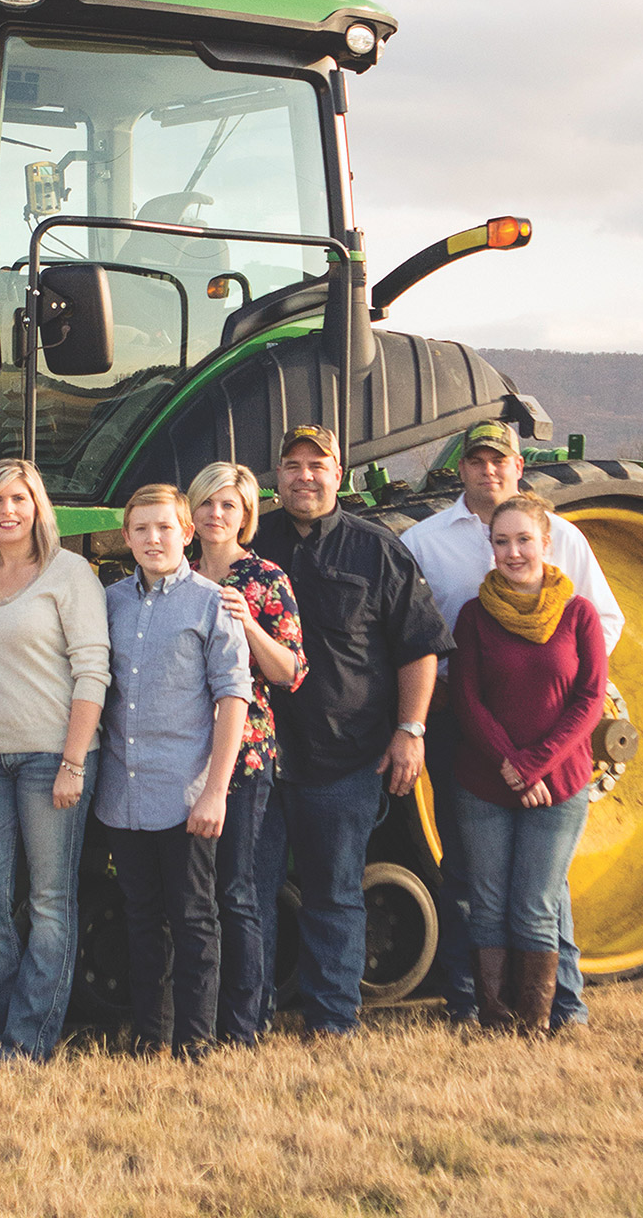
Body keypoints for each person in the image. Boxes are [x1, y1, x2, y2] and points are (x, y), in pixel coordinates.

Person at [401, 418, 622, 1028]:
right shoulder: (426, 541)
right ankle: (473, 1002)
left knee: (542, 885)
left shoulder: (566, 539)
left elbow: (603, 625)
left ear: (518, 465)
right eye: (477, 461)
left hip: (555, 739)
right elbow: (421, 638)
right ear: (462, 468)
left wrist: (545, 733)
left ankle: (562, 1005)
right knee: (469, 873)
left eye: (500, 460)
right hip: (465, 728)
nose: (489, 470)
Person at [253, 425, 454, 1038]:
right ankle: (248, 1015)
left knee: (335, 894)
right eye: (292, 465)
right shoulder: (251, 544)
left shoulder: (378, 551)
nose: (304, 476)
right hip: (257, 758)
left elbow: (418, 649)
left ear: (338, 473)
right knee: (247, 893)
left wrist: (410, 730)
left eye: (317, 464)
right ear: (277, 475)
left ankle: (332, 1019)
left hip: (344, 759)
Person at [0, 459, 110, 1060]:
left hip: (54, 756)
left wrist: (74, 761)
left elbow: (92, 670)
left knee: (49, 901)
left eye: (19, 498)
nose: (7, 511)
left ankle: (28, 1041)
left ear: (38, 505)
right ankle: (0, 1023)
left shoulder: (69, 572)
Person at [95, 484, 251, 1059]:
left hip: (186, 793)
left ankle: (196, 1042)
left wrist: (215, 791)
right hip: (122, 792)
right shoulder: (111, 602)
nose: (153, 539)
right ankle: (150, 1036)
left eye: (164, 528)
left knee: (193, 920)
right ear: (127, 537)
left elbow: (234, 698)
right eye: (141, 530)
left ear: (187, 533)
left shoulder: (214, 603)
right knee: (141, 918)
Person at [449, 493, 607, 1033]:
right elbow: (467, 701)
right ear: (490, 548)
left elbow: (590, 700)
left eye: (523, 540)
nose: (513, 552)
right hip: (484, 781)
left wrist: (534, 765)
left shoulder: (578, 613)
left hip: (559, 784)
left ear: (546, 542)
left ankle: (537, 1023)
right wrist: (509, 765)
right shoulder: (473, 616)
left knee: (537, 903)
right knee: (488, 901)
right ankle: (495, 1018)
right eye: (501, 542)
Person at [187, 462, 307, 1047]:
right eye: (207, 503)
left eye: (228, 506)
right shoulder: (175, 571)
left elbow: (290, 672)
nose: (216, 515)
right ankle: (197, 1019)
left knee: (237, 892)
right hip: (183, 757)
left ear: (246, 516)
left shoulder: (264, 578)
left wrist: (249, 624)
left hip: (244, 757)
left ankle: (245, 1022)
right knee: (193, 897)